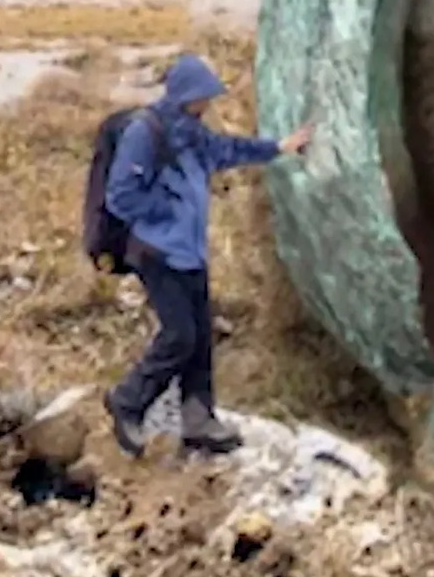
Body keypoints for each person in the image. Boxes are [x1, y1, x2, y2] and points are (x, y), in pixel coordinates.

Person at [102, 53, 313, 456]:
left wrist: (281, 148)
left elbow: (229, 151)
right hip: (157, 252)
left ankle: (199, 420)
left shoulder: (194, 134)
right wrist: (165, 215)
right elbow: (121, 196)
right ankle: (128, 400)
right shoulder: (146, 134)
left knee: (200, 340)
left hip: (190, 253)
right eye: (203, 96)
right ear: (185, 95)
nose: (208, 103)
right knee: (180, 336)